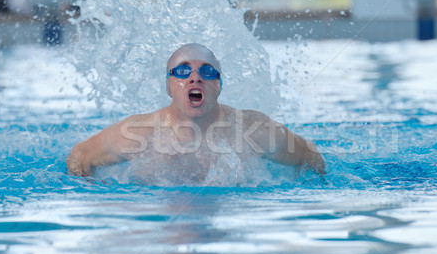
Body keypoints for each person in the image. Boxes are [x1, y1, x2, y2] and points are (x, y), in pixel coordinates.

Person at [66, 43, 325, 181]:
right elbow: (80, 156)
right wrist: (92, 190)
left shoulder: (251, 130)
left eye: (207, 71)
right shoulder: (139, 133)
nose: (195, 78)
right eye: (182, 71)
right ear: (169, 86)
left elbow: (311, 156)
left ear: (219, 85)